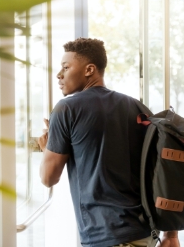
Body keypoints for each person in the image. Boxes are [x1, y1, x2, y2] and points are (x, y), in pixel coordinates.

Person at [38, 38, 180, 247]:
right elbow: (165, 170)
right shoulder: (138, 108)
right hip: (145, 234)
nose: (59, 74)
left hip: (107, 236)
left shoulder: (66, 109)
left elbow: (48, 178)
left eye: (66, 67)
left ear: (89, 69)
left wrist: (46, 149)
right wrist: (171, 235)